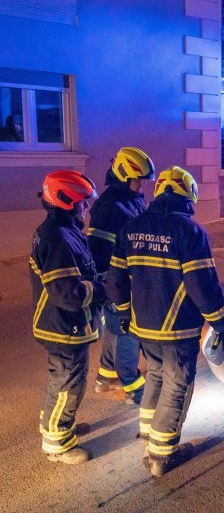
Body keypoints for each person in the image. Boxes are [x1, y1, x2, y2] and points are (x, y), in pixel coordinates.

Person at [107, 166, 224, 476]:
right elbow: (202, 285)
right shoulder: (189, 232)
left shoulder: (131, 228)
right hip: (177, 328)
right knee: (177, 385)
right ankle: (162, 455)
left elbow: (115, 279)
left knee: (157, 376)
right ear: (187, 196)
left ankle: (149, 433)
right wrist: (220, 321)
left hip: (143, 327)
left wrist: (123, 313)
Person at [30, 170, 105, 464]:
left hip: (60, 325)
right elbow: (67, 294)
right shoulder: (59, 238)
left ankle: (59, 425)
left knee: (62, 381)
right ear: (65, 201)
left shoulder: (59, 229)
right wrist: (101, 289)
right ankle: (57, 443)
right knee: (67, 383)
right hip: (63, 327)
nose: (85, 208)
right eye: (81, 203)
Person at [88, 147, 155, 404]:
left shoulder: (130, 198)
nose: (143, 186)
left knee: (116, 328)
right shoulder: (109, 208)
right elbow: (99, 250)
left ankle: (105, 377)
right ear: (125, 175)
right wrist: (111, 284)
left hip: (128, 277)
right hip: (118, 279)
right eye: (140, 180)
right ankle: (133, 386)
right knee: (128, 330)